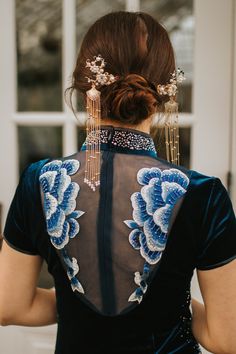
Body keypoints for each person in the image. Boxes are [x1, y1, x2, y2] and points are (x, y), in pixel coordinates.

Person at [0, 11, 236, 354]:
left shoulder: (39, 181)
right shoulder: (203, 194)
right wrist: (173, 306)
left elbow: (10, 306)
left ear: (85, 88)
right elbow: (226, 337)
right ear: (165, 91)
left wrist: (73, 303)